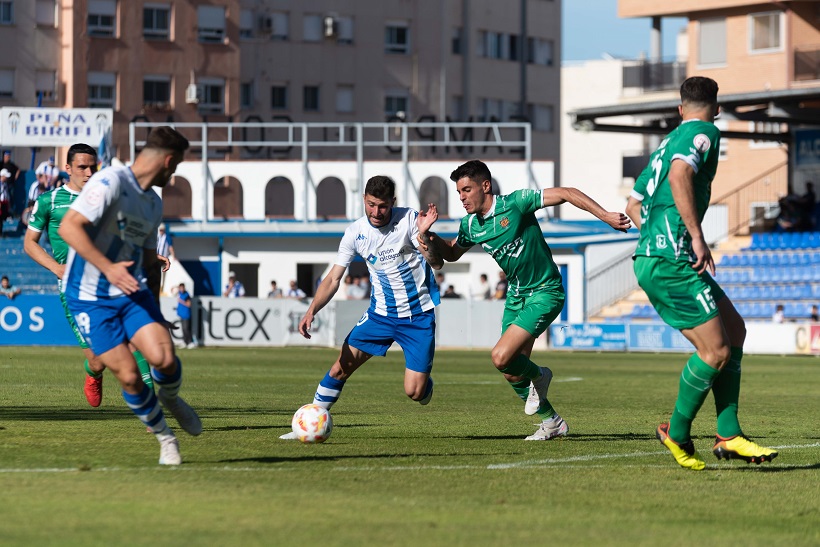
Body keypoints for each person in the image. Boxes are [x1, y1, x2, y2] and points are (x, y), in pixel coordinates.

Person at [624, 76, 777, 470]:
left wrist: (654, 238)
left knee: (735, 331)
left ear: (679, 109)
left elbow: (633, 204)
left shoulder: (665, 144)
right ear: (717, 107)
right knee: (716, 350)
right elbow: (680, 177)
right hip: (672, 258)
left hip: (663, 255)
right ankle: (676, 432)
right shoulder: (705, 132)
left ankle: (729, 433)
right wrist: (694, 236)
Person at [418, 159, 630, 441]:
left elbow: (566, 192)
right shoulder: (470, 225)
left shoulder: (517, 202)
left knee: (500, 356)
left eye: (467, 190)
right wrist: (429, 237)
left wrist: (605, 215)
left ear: (485, 185)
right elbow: (451, 254)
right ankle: (552, 422)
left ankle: (541, 376)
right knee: (511, 372)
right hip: (516, 296)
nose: (462, 197)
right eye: (459, 192)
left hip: (545, 291)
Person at [58, 126, 201, 466]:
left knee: (164, 358)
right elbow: (68, 228)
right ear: (167, 161)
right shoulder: (110, 183)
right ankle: (166, 438)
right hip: (89, 296)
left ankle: (171, 398)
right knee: (128, 375)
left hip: (130, 291)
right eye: (177, 166)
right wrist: (108, 268)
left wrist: (155, 306)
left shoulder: (153, 202)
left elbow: (149, 261)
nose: (175, 173)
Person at [281, 175, 441, 439]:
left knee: (415, 392)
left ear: (393, 203)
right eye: (370, 205)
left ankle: (424, 386)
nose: (375, 212)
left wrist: (425, 235)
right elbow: (333, 278)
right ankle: (308, 424)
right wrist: (311, 310)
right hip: (380, 316)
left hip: (418, 316)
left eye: (382, 206)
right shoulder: (355, 233)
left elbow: (436, 263)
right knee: (340, 365)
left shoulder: (411, 220)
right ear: (364, 200)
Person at [24, 143, 156, 408]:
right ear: (68, 168)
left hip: (109, 280)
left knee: (132, 342)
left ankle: (150, 404)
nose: (87, 172)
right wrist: (56, 268)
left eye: (91, 167)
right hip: (74, 287)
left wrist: (149, 255)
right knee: (98, 358)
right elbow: (29, 243)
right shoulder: (49, 201)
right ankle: (93, 372)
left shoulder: (108, 198)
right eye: (81, 167)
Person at [156, 224, 174, 294]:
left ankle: (162, 288)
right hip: (157, 258)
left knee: (163, 273)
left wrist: (173, 256)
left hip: (164, 259)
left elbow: (170, 247)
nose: (161, 231)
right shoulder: (157, 237)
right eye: (160, 230)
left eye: (162, 230)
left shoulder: (167, 237)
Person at [176, 283, 194, 349]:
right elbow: (172, 289)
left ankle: (190, 342)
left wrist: (181, 301)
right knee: (183, 329)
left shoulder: (186, 295)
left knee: (187, 329)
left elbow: (189, 304)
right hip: (182, 314)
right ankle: (185, 341)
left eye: (182, 288)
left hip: (186, 314)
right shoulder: (179, 293)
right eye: (180, 288)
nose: (182, 289)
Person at [0, 169, 11, 236]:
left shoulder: (5, 184)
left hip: (4, 202)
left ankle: (1, 231)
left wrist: (8, 204)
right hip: (1, 202)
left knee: (2, 218)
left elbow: (6, 194)